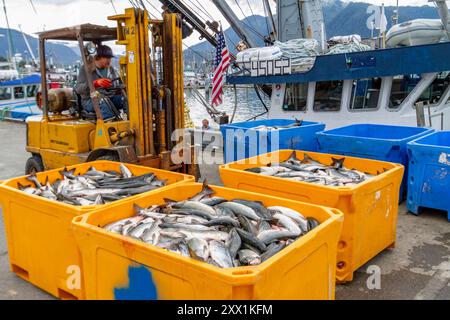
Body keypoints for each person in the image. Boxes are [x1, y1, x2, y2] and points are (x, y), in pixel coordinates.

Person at [75, 45, 127, 120]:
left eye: (110, 58)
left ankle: (130, 122)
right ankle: (109, 128)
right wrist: (95, 84)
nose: (109, 60)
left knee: (125, 99)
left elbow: (116, 85)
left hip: (108, 97)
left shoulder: (111, 69)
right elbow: (78, 89)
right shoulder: (86, 69)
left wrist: (120, 88)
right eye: (107, 58)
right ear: (99, 57)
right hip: (90, 100)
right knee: (104, 101)